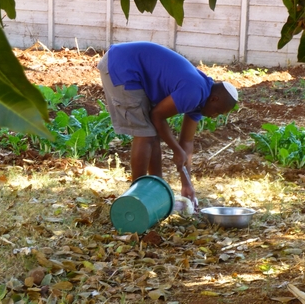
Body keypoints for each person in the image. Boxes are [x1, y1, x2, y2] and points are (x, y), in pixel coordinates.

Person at [97, 41, 238, 210]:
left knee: (151, 132)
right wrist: (175, 149)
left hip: (131, 67)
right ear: (215, 99)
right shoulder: (195, 92)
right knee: (145, 134)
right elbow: (157, 115)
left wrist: (187, 184)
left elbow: (187, 142)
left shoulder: (202, 100)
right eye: (218, 112)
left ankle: (157, 191)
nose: (214, 117)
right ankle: (135, 199)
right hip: (122, 65)